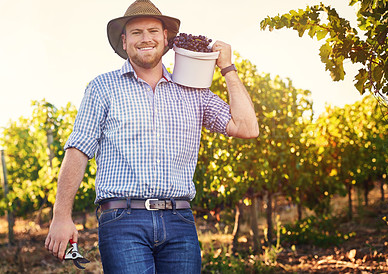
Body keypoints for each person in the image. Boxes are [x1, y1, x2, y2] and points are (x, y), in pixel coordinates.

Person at [44, 0, 259, 273]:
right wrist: (61, 215)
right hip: (123, 220)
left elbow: (247, 127)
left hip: (179, 220)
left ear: (166, 38)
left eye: (153, 31)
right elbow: (78, 150)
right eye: (136, 33)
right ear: (124, 42)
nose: (146, 38)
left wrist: (228, 69)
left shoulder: (193, 91)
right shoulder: (102, 88)